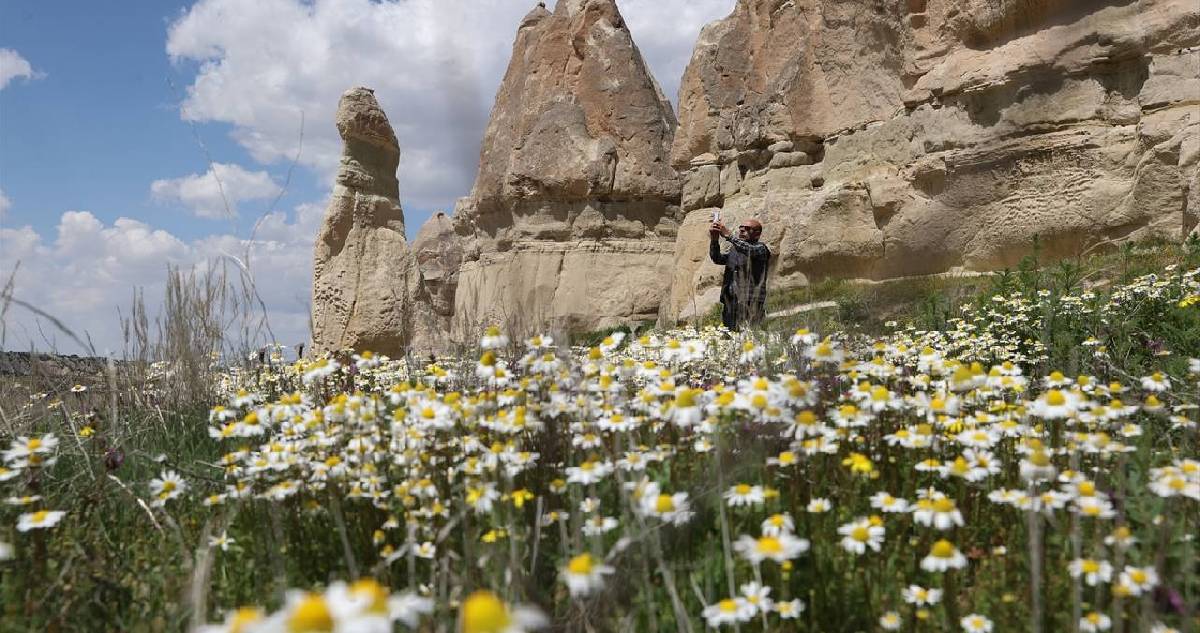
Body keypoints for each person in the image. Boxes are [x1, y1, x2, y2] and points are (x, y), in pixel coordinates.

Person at [709, 217, 770, 330]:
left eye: (747, 229)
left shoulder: (761, 249)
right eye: (740, 228)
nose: (742, 231)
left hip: (751, 302)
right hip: (731, 302)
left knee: (750, 335)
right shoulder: (735, 250)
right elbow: (717, 258)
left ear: (757, 234)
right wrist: (714, 239)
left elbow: (749, 249)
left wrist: (729, 236)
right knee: (730, 336)